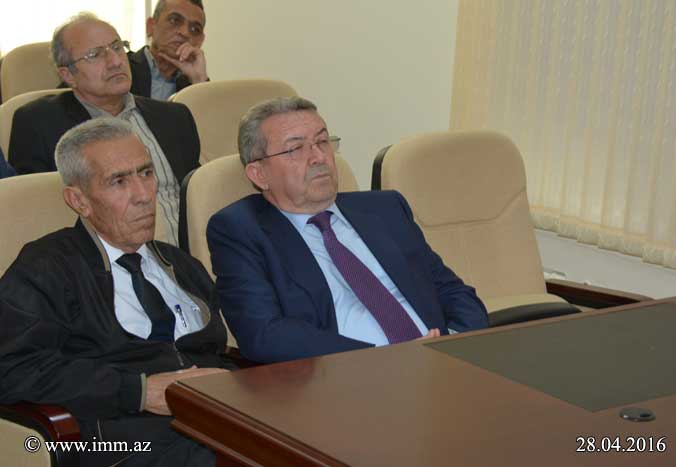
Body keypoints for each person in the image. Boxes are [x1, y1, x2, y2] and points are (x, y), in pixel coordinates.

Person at [0, 118, 233, 467]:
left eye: (146, 173)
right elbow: (13, 368)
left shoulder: (180, 265)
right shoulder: (48, 268)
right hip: (118, 439)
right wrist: (139, 392)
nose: (144, 195)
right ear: (79, 200)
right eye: (119, 181)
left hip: (212, 420)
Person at [206, 97, 489, 364]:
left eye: (322, 141)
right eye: (295, 149)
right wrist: (383, 360)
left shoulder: (385, 209)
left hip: (442, 365)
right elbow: (265, 334)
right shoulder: (240, 231)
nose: (318, 157)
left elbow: (453, 291)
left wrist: (452, 343)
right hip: (347, 379)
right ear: (259, 174)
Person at [8, 13, 200, 245]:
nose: (116, 61)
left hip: (187, 258)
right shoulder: (39, 123)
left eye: (118, 47)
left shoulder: (174, 117)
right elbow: (38, 214)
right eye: (95, 55)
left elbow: (197, 200)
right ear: (68, 75)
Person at [129, 0, 208, 100]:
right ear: (150, 26)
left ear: (200, 41)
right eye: (175, 20)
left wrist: (199, 80)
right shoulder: (123, 68)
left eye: (195, 29)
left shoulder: (194, 84)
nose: (185, 33)